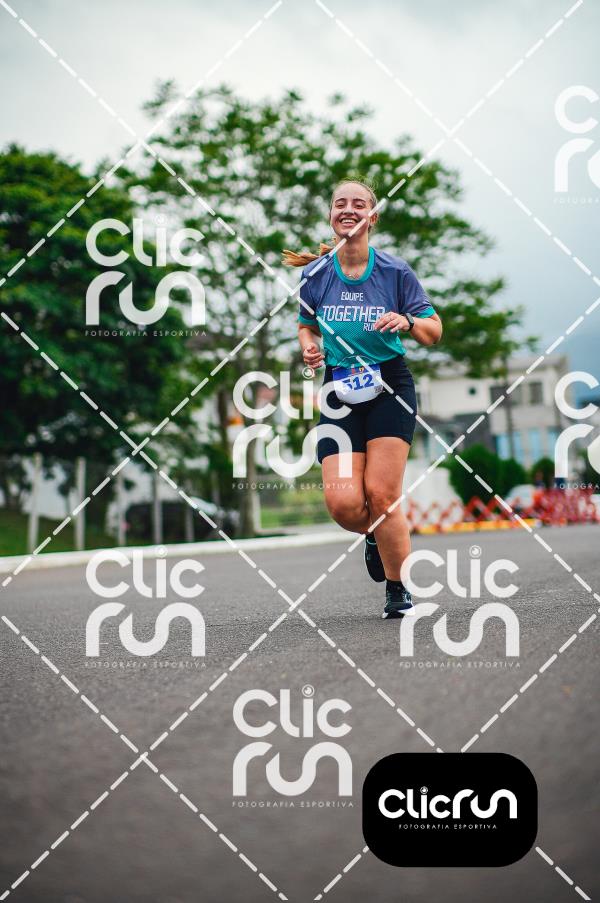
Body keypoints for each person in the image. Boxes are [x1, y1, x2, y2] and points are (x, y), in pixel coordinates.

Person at [283, 179, 442, 618]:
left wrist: (407, 321)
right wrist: (309, 346)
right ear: (331, 216)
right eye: (340, 203)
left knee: (382, 494)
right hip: (339, 390)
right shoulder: (315, 274)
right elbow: (306, 325)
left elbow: (434, 331)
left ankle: (398, 588)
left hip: (390, 385)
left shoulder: (394, 272)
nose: (348, 209)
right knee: (343, 504)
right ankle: (376, 535)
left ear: (372, 217)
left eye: (359, 204)